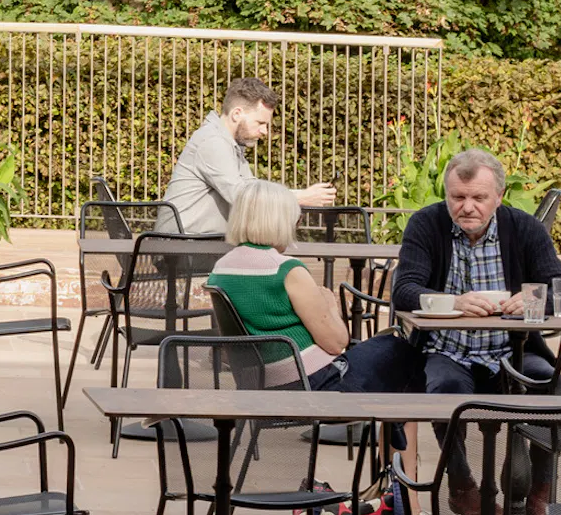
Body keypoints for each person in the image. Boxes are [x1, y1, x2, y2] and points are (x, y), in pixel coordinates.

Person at [393, 149, 561, 515]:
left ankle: (542, 486)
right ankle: (461, 484)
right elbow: (403, 290)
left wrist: (533, 300)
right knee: (443, 387)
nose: (467, 207)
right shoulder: (427, 224)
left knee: (549, 383)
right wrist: (453, 302)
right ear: (447, 195)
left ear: (499, 197)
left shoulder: (525, 228)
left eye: (478, 198)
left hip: (511, 350)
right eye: (458, 197)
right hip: (448, 349)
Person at [204, 182, 411, 391]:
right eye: (296, 219)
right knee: (398, 348)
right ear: (280, 221)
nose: (297, 226)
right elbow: (337, 343)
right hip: (312, 381)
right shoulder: (286, 270)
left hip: (258, 382)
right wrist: (330, 304)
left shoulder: (220, 269)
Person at [158, 76, 337, 237]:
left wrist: (302, 195)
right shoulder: (212, 142)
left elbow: (253, 190)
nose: (265, 131)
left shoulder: (230, 144)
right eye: (260, 123)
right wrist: (299, 198)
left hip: (197, 243)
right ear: (237, 114)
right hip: (182, 245)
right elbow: (242, 197)